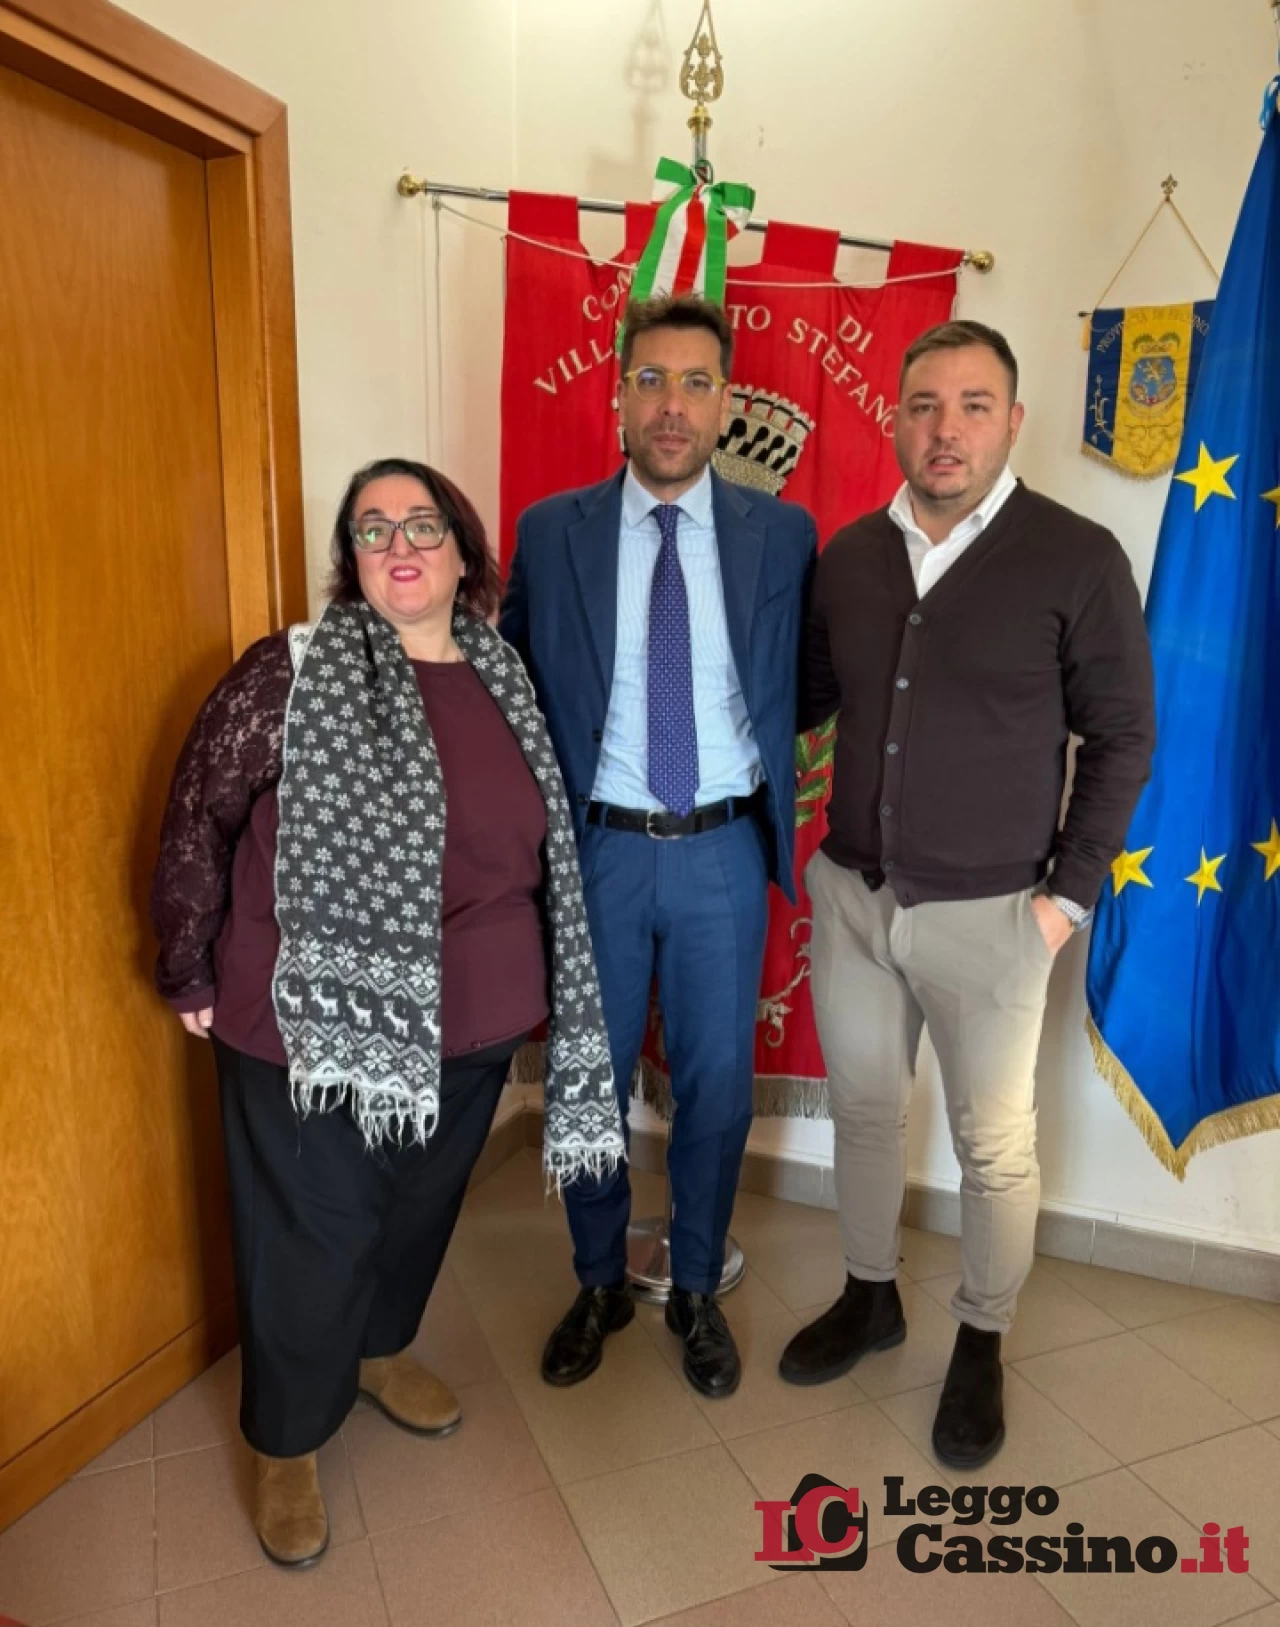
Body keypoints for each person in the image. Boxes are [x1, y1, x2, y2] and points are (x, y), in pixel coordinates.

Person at [151, 457, 622, 1568]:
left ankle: (373, 1350)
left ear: (464, 554)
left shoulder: (504, 675)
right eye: (373, 529)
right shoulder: (289, 671)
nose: (399, 545)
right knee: (309, 1230)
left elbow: (536, 845)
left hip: (479, 1020)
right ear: (350, 560)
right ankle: (285, 1439)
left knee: (414, 1211)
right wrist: (187, 965)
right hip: (311, 1023)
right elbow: (199, 812)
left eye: (422, 524)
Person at [785, 320, 1155, 1467]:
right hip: (854, 898)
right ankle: (868, 1295)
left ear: (1010, 421)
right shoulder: (849, 554)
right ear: (894, 420)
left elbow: (1122, 737)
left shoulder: (1076, 557)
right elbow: (804, 696)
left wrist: (1063, 901)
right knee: (862, 1111)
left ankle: (981, 1339)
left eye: (972, 404)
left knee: (992, 1149)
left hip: (994, 915)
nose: (944, 429)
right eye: (923, 405)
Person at [501, 294, 817, 1400]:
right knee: (587, 1075)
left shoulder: (783, 535)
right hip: (599, 848)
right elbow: (511, 685)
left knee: (717, 1087)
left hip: (722, 850)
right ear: (618, 397)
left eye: (694, 382)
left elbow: (809, 679)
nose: (671, 404)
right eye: (650, 380)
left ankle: (693, 1286)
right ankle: (596, 1279)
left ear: (725, 402)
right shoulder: (551, 532)